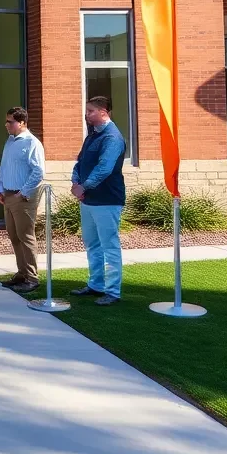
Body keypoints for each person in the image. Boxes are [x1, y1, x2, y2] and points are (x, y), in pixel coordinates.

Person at [70, 96, 127, 306]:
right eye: (87, 111)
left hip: (107, 201)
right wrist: (76, 183)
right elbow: (80, 162)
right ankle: (96, 284)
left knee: (109, 246)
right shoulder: (92, 136)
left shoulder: (112, 138)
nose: (87, 114)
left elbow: (104, 168)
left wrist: (83, 187)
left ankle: (112, 291)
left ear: (103, 112)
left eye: (90, 111)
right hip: (88, 200)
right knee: (92, 244)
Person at [0, 106, 45, 294]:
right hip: (8, 194)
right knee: (14, 236)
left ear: (22, 122)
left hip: (23, 197)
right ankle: (21, 273)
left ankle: (32, 277)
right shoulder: (10, 142)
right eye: (7, 121)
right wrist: (0, 188)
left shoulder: (32, 143)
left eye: (10, 121)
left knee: (26, 236)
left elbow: (38, 171)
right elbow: (4, 166)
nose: (6, 125)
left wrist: (23, 192)